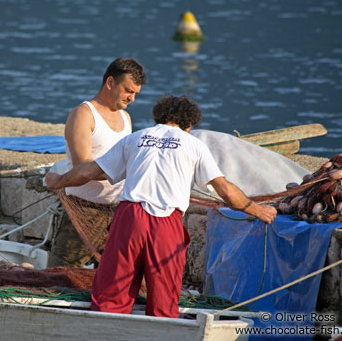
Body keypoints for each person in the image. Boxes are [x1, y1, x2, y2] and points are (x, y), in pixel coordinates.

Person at [45, 95, 277, 317]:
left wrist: (58, 181)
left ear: (158, 117)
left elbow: (88, 171)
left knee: (111, 294)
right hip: (166, 224)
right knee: (164, 298)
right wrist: (259, 210)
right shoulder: (193, 145)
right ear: (189, 124)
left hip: (129, 218)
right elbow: (225, 190)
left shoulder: (136, 138)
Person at [47, 57, 147, 267]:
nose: (132, 98)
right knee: (59, 276)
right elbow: (83, 168)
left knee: (111, 278)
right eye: (128, 91)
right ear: (110, 82)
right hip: (84, 211)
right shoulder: (83, 114)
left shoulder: (125, 118)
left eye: (136, 93)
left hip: (117, 210)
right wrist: (124, 168)